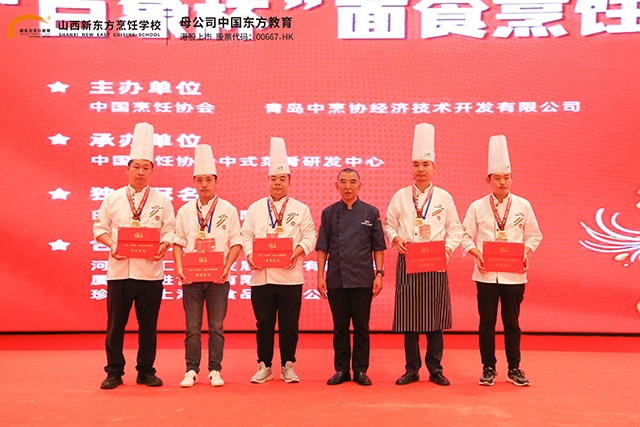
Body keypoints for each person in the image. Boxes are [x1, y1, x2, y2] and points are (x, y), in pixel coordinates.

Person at [93, 122, 176, 389]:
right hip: (119, 273)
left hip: (150, 274)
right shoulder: (113, 198)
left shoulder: (162, 200)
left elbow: (170, 230)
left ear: (152, 171)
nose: (141, 172)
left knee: (148, 326)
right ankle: (114, 371)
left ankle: (146, 370)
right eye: (136, 167)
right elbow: (99, 229)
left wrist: (163, 245)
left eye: (146, 167)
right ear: (127, 169)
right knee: (115, 326)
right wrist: (112, 245)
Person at [384, 123, 463, 386]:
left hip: (436, 261)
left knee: (435, 321)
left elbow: (456, 229)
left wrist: (448, 250)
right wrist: (396, 239)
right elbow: (388, 224)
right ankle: (411, 369)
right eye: (416, 164)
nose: (420, 169)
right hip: (408, 259)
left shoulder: (444, 197)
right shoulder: (400, 196)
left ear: (433, 168)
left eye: (425, 164)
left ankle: (435, 369)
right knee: (409, 320)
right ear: (412, 168)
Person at [461, 135, 542, 387]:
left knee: (512, 324)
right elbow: (464, 235)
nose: (502, 182)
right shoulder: (477, 206)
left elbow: (534, 235)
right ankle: (488, 368)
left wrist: (526, 252)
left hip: (514, 274)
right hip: (485, 274)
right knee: (486, 324)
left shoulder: (523, 205)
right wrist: (476, 253)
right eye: (497, 178)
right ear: (488, 180)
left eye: (506, 177)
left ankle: (514, 368)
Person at [241, 137, 317, 384]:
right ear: (267, 181)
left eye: (282, 179)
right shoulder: (255, 208)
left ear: (289, 182)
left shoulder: (301, 208)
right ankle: (264, 365)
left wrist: (298, 251)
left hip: (290, 277)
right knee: (263, 324)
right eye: (273, 178)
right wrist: (250, 255)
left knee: (289, 325)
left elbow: (310, 235)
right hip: (261, 277)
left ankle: (288, 365)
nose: (277, 183)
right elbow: (245, 236)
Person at [173, 144, 242, 388]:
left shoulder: (228, 209)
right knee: (192, 328)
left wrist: (227, 268)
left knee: (216, 327)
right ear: (194, 182)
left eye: (209, 180)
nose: (204, 184)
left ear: (216, 181)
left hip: (218, 280)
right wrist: (180, 269)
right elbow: (178, 244)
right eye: (200, 180)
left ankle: (215, 370)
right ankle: (191, 370)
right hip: (191, 279)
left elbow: (237, 243)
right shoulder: (184, 211)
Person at [316, 168, 386, 386]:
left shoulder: (371, 212)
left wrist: (379, 274)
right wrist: (320, 276)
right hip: (336, 278)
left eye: (352, 182)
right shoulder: (328, 213)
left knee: (362, 327)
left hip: (363, 279)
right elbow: (322, 248)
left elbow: (378, 247)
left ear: (360, 186)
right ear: (337, 185)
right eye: (343, 182)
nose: (348, 186)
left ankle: (361, 370)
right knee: (340, 327)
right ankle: (342, 369)